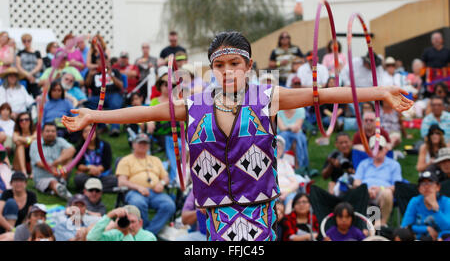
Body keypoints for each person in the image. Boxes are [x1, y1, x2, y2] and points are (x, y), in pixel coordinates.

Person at [62, 31, 413, 241]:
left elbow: (323, 93)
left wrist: (380, 90)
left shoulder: (267, 97)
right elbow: (144, 112)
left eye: (234, 64)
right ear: (212, 68)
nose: (227, 71)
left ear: (248, 66)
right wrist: (94, 114)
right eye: (219, 65)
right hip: (215, 210)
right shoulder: (193, 104)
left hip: (258, 206)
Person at [115, 133, 175, 236]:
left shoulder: (155, 160)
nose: (143, 145)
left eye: (145, 143)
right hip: (134, 192)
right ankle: (144, 233)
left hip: (155, 193)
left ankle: (147, 233)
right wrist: (138, 187)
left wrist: (161, 183)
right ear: (134, 144)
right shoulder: (126, 160)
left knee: (169, 205)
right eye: (140, 143)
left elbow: (166, 177)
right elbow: (121, 182)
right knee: (138, 203)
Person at [353, 135, 402, 226]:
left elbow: (397, 186)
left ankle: (381, 225)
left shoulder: (394, 165)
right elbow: (356, 182)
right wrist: (366, 190)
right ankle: (362, 226)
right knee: (357, 192)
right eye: (373, 148)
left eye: (379, 148)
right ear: (369, 151)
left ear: (385, 149)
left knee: (387, 193)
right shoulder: (363, 164)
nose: (377, 151)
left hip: (383, 192)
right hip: (365, 193)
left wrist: (380, 189)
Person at [148, 68, 182, 184]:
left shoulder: (179, 100)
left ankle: (180, 173)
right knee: (173, 144)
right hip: (164, 135)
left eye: (172, 85)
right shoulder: (154, 101)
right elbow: (148, 115)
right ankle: (175, 175)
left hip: (181, 134)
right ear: (160, 86)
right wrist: (150, 122)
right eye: (165, 84)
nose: (168, 87)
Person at [29, 122, 75, 200]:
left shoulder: (59, 140)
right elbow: (40, 163)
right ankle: (69, 197)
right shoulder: (35, 144)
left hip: (59, 172)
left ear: (56, 132)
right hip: (43, 177)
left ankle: (62, 182)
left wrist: (57, 162)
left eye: (53, 131)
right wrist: (53, 168)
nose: (50, 133)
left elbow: (72, 150)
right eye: (47, 131)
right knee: (53, 182)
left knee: (68, 157)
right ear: (42, 133)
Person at [401, 170, 450, 241]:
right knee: (399, 233)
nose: (426, 186)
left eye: (430, 183)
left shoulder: (446, 201)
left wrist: (436, 209)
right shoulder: (415, 201)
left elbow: (448, 227)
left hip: (442, 237)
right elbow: (405, 226)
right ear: (419, 189)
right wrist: (426, 229)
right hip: (420, 237)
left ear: (438, 187)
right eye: (423, 183)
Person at [84, 57, 123, 137]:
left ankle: (115, 128)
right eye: (100, 60)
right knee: (88, 103)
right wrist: (90, 76)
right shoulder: (93, 72)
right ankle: (102, 126)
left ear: (108, 61)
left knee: (115, 104)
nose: (102, 62)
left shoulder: (114, 71)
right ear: (97, 62)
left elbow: (120, 86)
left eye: (105, 60)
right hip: (97, 96)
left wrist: (110, 74)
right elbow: (86, 85)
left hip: (113, 94)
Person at [74, 124, 116, 193]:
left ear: (96, 132)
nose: (89, 133)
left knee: (114, 180)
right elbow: (79, 165)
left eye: (91, 131)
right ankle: (99, 189)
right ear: (82, 134)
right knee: (78, 178)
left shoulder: (105, 145)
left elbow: (107, 164)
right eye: (85, 131)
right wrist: (89, 168)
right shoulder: (79, 147)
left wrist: (96, 170)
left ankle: (89, 189)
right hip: (87, 175)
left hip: (102, 175)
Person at [86, 205, 157, 241]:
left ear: (140, 222)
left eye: (132, 222)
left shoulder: (149, 237)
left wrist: (126, 233)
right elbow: (91, 238)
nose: (129, 226)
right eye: (127, 221)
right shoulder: (115, 234)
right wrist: (109, 216)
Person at [277, 98, 309, 170]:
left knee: (297, 138)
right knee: (285, 135)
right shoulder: (278, 111)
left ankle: (298, 165)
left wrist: (289, 127)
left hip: (297, 134)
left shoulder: (300, 110)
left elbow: (297, 128)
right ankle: (284, 163)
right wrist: (291, 127)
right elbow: (282, 128)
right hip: (281, 134)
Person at [276, 135, 300, 213]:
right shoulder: (265, 164)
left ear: (282, 150)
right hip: (273, 194)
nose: (277, 150)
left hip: (287, 192)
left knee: (292, 200)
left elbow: (295, 183)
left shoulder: (285, 164)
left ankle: (287, 221)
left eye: (279, 148)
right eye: (274, 146)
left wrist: (287, 192)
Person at [15, 33, 42, 98]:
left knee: (35, 89)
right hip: (24, 76)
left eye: (28, 41)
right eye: (24, 41)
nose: (26, 42)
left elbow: (39, 65)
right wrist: (27, 74)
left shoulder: (37, 52)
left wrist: (31, 73)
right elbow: (18, 66)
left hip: (34, 76)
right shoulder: (20, 53)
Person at [12, 112, 36, 178]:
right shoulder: (16, 132)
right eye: (21, 120)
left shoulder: (34, 131)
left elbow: (36, 140)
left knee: (34, 145)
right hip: (18, 164)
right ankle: (23, 172)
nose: (24, 122)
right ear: (18, 122)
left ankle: (33, 172)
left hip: (32, 161)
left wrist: (21, 139)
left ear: (30, 121)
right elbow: (15, 140)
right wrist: (29, 140)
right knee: (20, 146)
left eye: (26, 119)